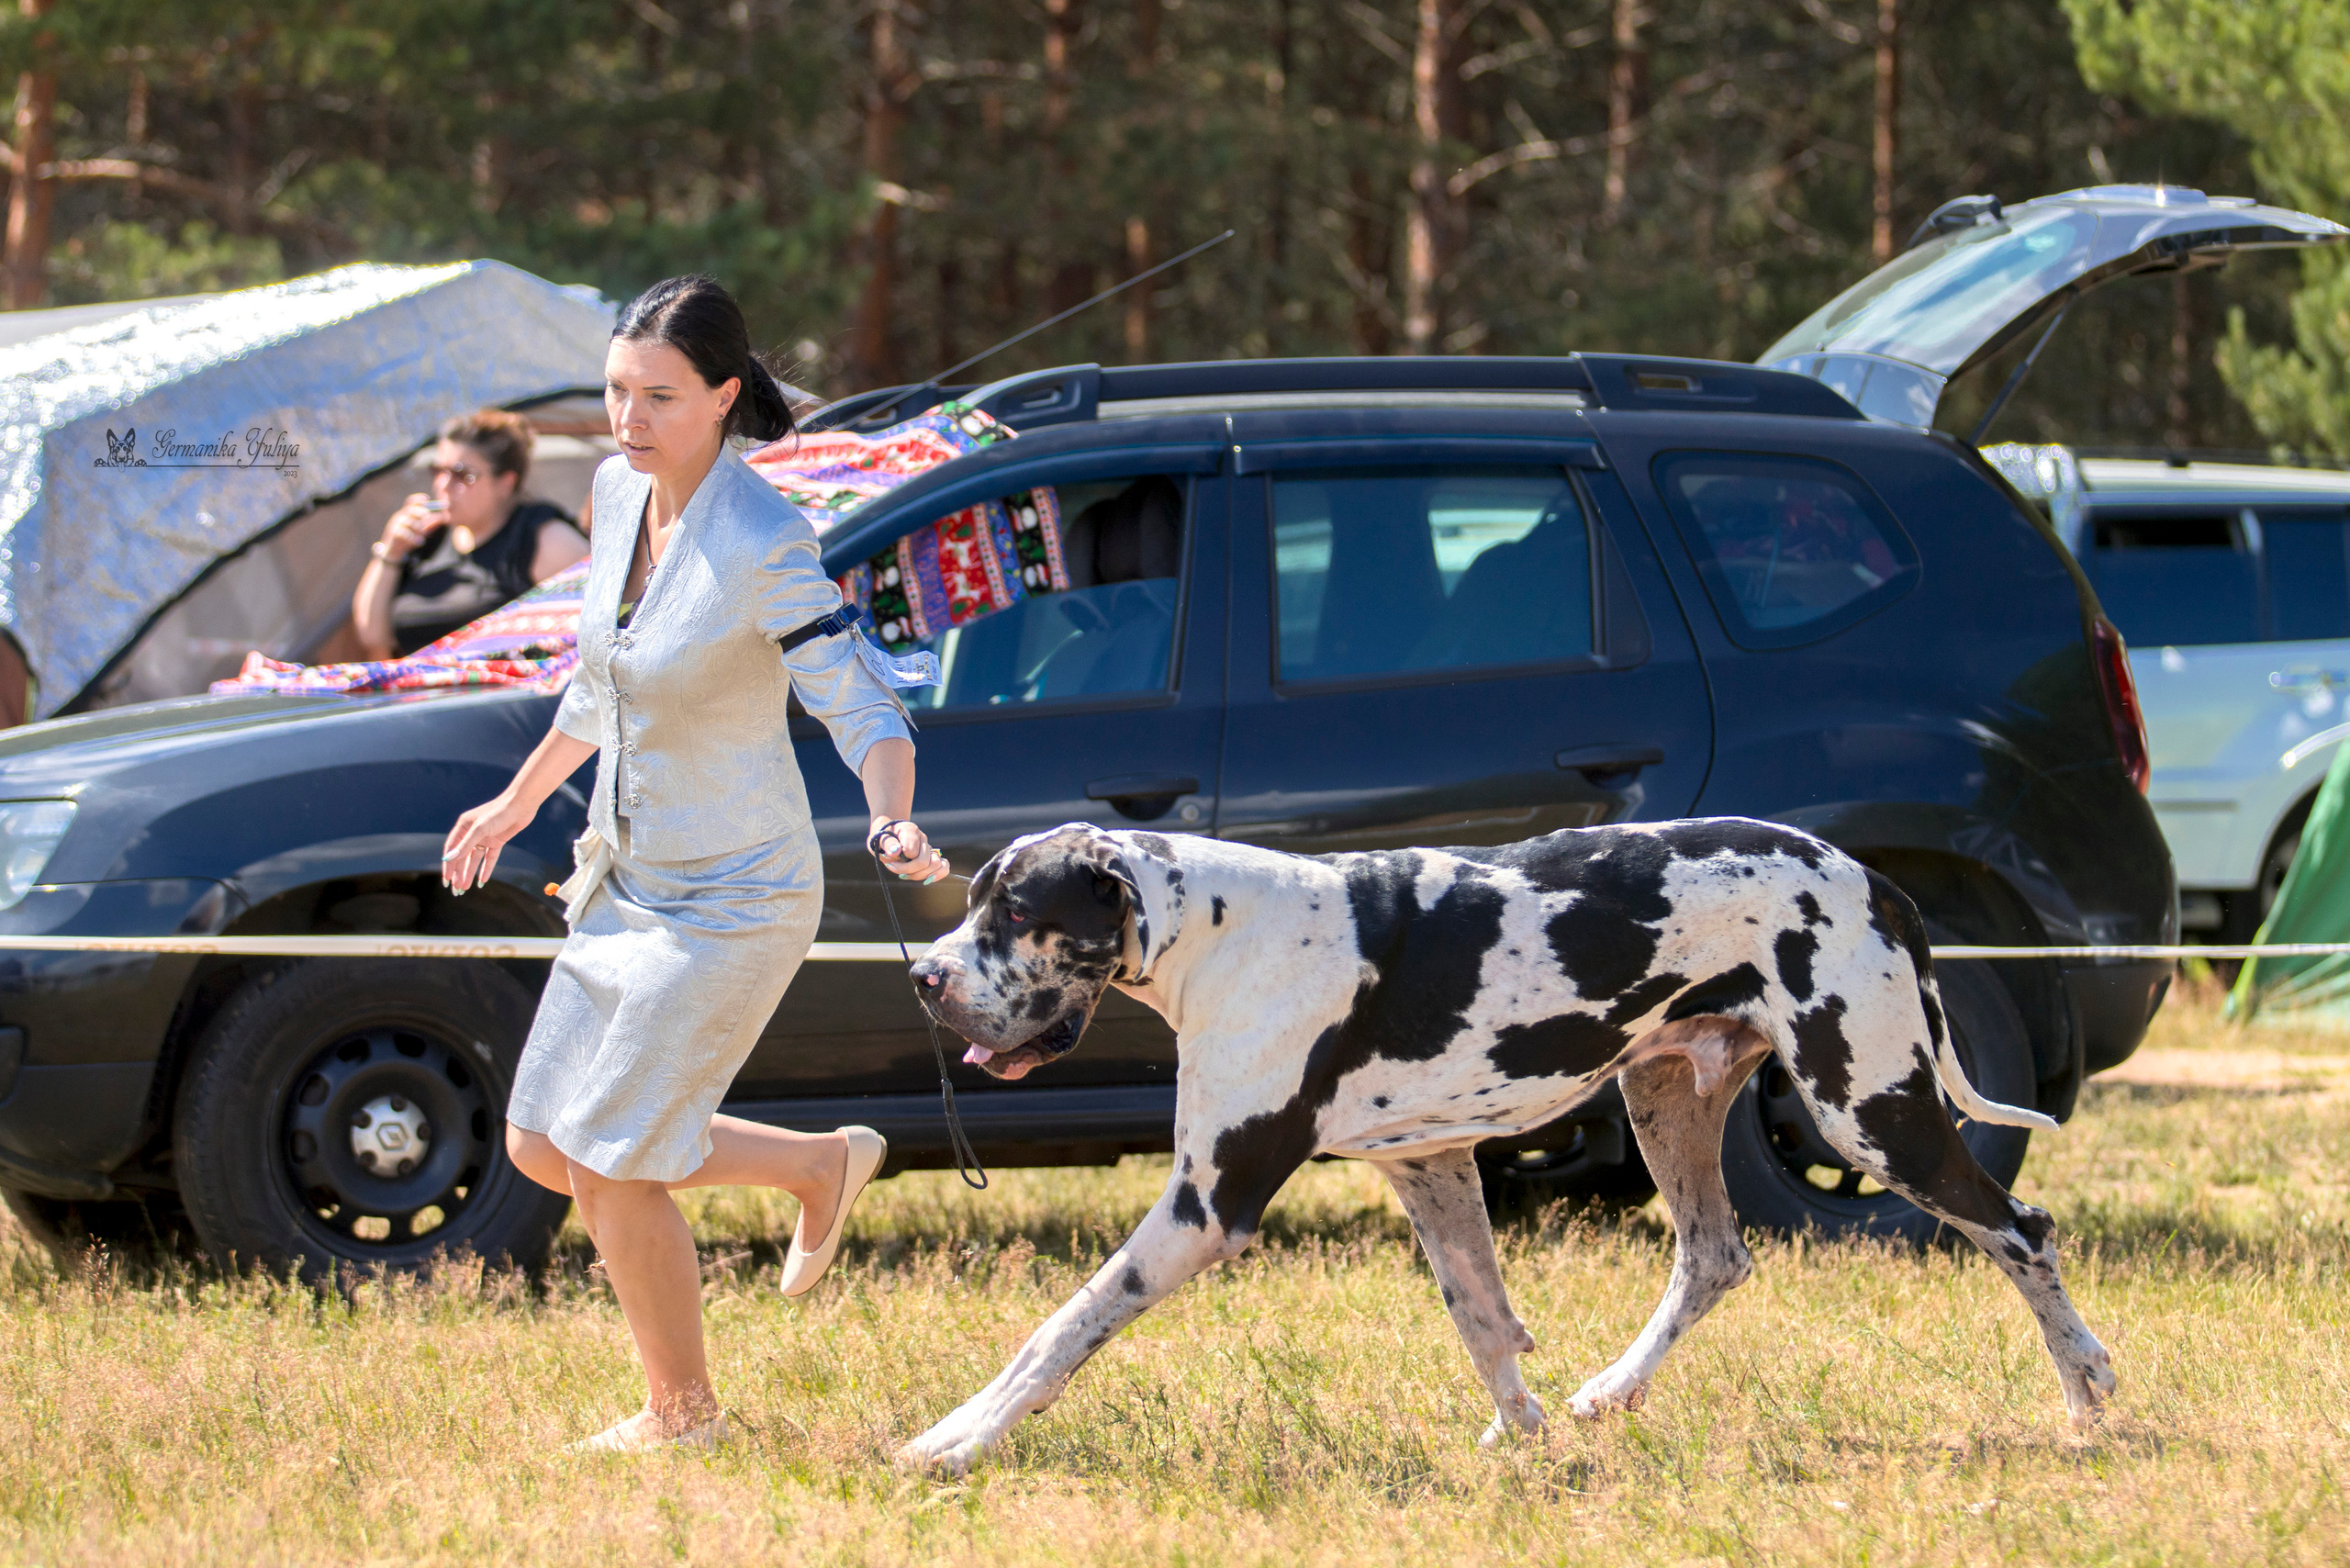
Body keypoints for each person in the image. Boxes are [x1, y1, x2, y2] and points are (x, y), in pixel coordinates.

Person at [439, 274, 948, 1453]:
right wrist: (515, 803)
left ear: (724, 397)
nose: (629, 418)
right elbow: (601, 681)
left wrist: (889, 817)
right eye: (617, 390)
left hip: (739, 892)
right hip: (627, 874)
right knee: (541, 1145)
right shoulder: (617, 496)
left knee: (615, 1160)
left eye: (659, 396)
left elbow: (855, 696)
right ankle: (819, 1165)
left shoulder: (765, 538)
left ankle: (685, 1417)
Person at [353, 408, 593, 657]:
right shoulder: (428, 538)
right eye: (438, 471)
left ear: (506, 482)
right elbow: (373, 635)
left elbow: (596, 626)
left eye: (461, 475)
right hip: (419, 688)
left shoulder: (539, 537)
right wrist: (390, 552)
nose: (443, 486)